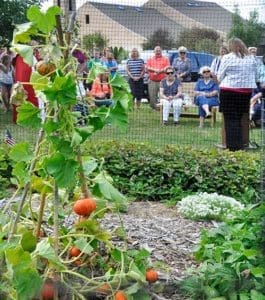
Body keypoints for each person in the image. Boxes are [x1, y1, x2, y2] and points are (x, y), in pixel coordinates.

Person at [217, 37, 258, 151]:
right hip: (245, 93)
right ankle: (240, 144)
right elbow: (256, 76)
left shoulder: (227, 58)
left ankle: (232, 147)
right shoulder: (251, 58)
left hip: (229, 91)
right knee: (240, 118)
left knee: (230, 120)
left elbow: (220, 76)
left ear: (231, 47)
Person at [146, 46, 170, 110]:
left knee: (164, 95)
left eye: (159, 50)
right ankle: (154, 108)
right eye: (156, 51)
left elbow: (167, 67)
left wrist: (159, 71)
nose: (158, 52)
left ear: (161, 51)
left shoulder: (165, 59)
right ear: (154, 51)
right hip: (152, 80)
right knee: (152, 96)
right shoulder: (150, 59)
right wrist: (154, 70)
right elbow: (147, 67)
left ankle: (163, 108)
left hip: (163, 81)